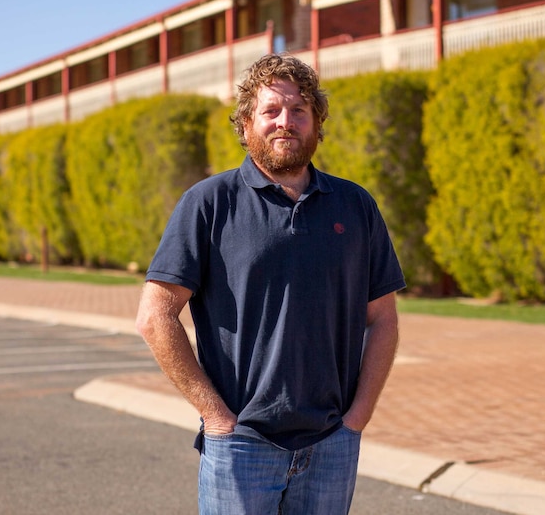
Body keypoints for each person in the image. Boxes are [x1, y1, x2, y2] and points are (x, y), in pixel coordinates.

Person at [135, 53, 405, 515]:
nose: (286, 122)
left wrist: (357, 418)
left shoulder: (355, 206)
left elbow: (382, 319)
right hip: (242, 446)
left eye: (300, 111)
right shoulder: (208, 204)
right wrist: (216, 417)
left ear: (318, 124)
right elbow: (155, 316)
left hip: (330, 445)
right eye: (271, 111)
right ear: (245, 124)